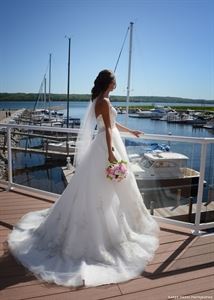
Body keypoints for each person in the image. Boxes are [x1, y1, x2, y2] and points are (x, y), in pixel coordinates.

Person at [7, 69, 160, 288]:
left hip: (105, 145)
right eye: (115, 80)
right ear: (110, 83)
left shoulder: (100, 100)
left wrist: (131, 131)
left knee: (97, 191)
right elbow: (107, 129)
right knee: (104, 191)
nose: (116, 83)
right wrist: (110, 153)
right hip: (106, 147)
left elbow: (112, 124)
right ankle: (104, 237)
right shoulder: (104, 101)